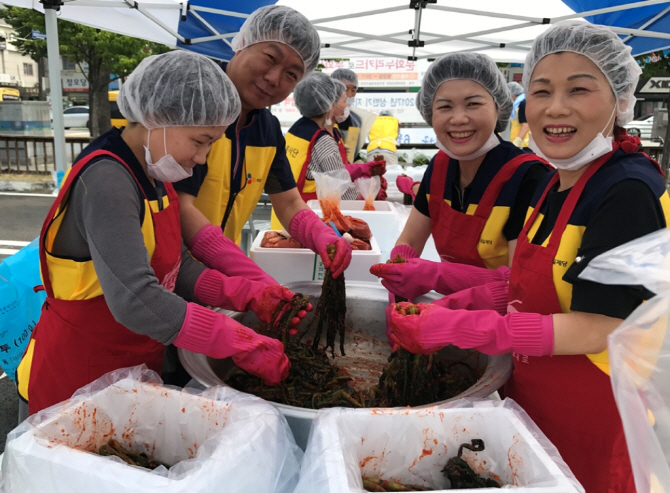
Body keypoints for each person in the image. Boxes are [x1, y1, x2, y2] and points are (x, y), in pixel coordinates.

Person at [384, 21, 670, 493]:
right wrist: (446, 298)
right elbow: (519, 284)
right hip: (531, 401)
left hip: (594, 418)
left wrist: (471, 328)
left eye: (579, 89)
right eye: (542, 91)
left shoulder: (628, 190)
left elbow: (604, 324)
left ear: (619, 99)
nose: (556, 108)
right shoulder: (560, 179)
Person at [16, 51, 298, 417]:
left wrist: (247, 294)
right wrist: (232, 338)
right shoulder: (107, 179)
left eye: (211, 144)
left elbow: (176, 268)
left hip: (128, 374)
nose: (202, 159)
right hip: (75, 381)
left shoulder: (155, 175)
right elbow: (135, 298)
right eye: (200, 141)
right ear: (156, 118)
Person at [174, 5, 352, 287]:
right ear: (242, 44)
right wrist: (240, 266)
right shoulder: (194, 102)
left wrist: (320, 234)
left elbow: (289, 201)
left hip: (218, 274)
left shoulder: (267, 128)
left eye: (292, 74)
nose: (274, 78)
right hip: (171, 271)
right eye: (270, 57)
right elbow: (180, 207)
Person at [371, 52, 549, 305]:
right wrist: (399, 268)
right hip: (443, 312)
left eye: (473, 104)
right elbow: (411, 238)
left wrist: (435, 275)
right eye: (444, 107)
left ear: (498, 105)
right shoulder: (439, 167)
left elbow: (521, 283)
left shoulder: (528, 177)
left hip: (506, 325)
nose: (458, 118)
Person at [331, 68, 364, 163]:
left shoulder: (356, 120)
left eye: (354, 90)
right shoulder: (322, 117)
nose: (349, 95)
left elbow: (354, 153)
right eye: (345, 89)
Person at [507, 81, 530, 147]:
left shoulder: (523, 103)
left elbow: (526, 126)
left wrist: (516, 142)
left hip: (523, 144)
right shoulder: (517, 104)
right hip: (519, 143)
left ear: (512, 94)